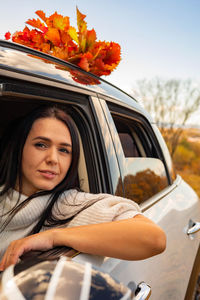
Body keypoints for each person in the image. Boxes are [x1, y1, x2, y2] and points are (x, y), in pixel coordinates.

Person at [0, 105, 166, 271]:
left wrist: (52, 237)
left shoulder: (70, 205)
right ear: (19, 148)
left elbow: (154, 238)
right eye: (41, 145)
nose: (53, 159)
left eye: (64, 150)